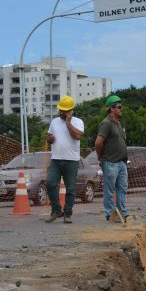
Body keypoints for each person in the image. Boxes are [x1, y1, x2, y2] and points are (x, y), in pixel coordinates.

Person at [45, 95, 85, 223]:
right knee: (50, 183)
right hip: (56, 159)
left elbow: (77, 136)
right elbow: (49, 136)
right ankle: (56, 210)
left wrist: (68, 122)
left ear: (70, 110)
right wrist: (49, 139)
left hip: (71, 160)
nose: (61, 113)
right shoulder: (54, 122)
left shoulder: (78, 122)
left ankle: (67, 213)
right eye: (60, 110)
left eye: (64, 111)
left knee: (71, 188)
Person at [96, 95, 129, 222]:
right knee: (109, 190)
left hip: (121, 162)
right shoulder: (106, 123)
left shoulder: (118, 124)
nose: (121, 109)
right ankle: (110, 214)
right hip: (110, 162)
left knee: (122, 189)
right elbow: (99, 142)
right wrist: (101, 157)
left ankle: (122, 213)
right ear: (111, 109)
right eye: (119, 107)